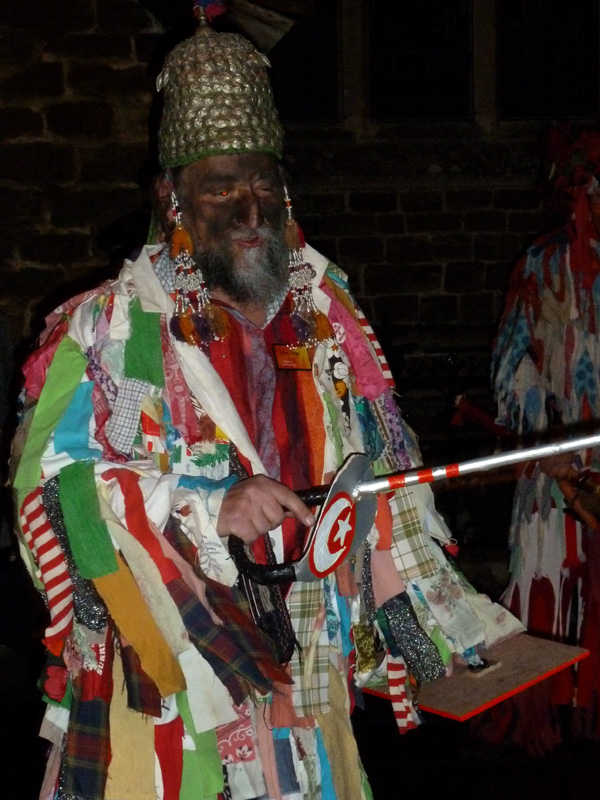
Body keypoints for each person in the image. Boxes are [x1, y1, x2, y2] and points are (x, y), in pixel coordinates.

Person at [11, 3, 522, 798]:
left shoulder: (328, 319)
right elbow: (61, 488)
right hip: (177, 702)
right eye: (221, 189)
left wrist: (428, 630)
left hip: (307, 690)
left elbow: (383, 473)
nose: (251, 210)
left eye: (263, 183)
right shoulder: (117, 332)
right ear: (172, 199)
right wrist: (209, 505)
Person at [492, 125, 600, 745]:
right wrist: (548, 443)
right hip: (556, 467)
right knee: (550, 572)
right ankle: (554, 704)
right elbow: (512, 367)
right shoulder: (541, 263)